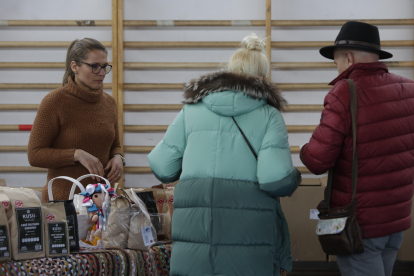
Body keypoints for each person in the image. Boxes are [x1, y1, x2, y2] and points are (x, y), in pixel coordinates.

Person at [148, 34, 301, 276]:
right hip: (246, 225)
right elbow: (275, 179)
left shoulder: (192, 109)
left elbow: (162, 165)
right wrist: (294, 176)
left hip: (194, 226)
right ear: (262, 77)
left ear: (230, 72)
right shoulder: (269, 115)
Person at [300, 21, 414, 276]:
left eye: (338, 62)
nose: (338, 68)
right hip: (396, 218)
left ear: (348, 58)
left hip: (359, 223)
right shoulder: (409, 89)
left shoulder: (345, 92)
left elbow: (318, 161)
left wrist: (304, 149)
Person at [28, 38, 125, 203]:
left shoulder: (109, 103)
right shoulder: (54, 102)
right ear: (75, 67)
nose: (101, 73)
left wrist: (118, 157)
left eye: (104, 67)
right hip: (63, 203)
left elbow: (115, 144)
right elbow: (35, 154)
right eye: (94, 66)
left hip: (101, 202)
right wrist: (76, 154)